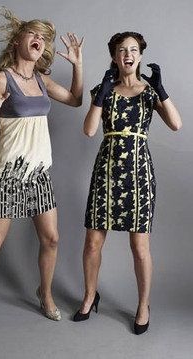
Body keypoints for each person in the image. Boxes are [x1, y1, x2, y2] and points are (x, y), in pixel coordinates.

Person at [0, 7, 83, 343]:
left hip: (40, 172)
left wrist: (78, 66)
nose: (39, 40)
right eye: (33, 34)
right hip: (9, 173)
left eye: (44, 37)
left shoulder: (41, 80)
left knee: (51, 239)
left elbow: (75, 99)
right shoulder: (1, 78)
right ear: (17, 39)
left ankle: (46, 294)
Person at [73, 32, 182, 335]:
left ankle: (143, 305)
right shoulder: (104, 89)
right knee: (93, 241)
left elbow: (176, 124)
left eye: (134, 50)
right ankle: (89, 295)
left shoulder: (150, 92)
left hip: (138, 173)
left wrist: (161, 88)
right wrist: (101, 93)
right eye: (122, 50)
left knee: (139, 245)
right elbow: (89, 129)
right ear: (114, 56)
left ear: (140, 56)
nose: (128, 54)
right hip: (106, 172)